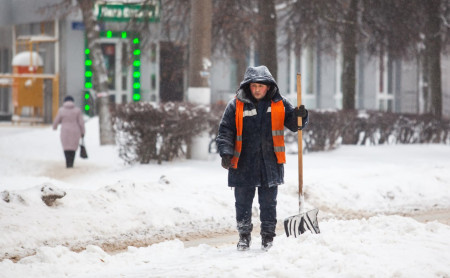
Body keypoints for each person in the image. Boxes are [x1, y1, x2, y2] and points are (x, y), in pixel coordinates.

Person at [216, 65, 308, 251]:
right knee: (242, 203)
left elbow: (294, 124)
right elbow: (225, 131)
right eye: (254, 86)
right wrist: (226, 152)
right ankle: (244, 236)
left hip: (270, 163)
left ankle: (268, 237)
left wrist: (301, 116)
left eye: (261, 86)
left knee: (268, 203)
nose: (257, 89)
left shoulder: (279, 103)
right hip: (242, 162)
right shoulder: (235, 105)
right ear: (248, 86)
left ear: (268, 86)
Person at [52, 95, 85, 168]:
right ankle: (71, 163)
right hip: (75, 131)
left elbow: (56, 120)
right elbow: (81, 123)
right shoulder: (77, 110)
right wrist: (83, 132)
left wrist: (54, 127)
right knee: (73, 147)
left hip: (65, 131)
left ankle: (68, 162)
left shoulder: (61, 110)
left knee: (66, 147)